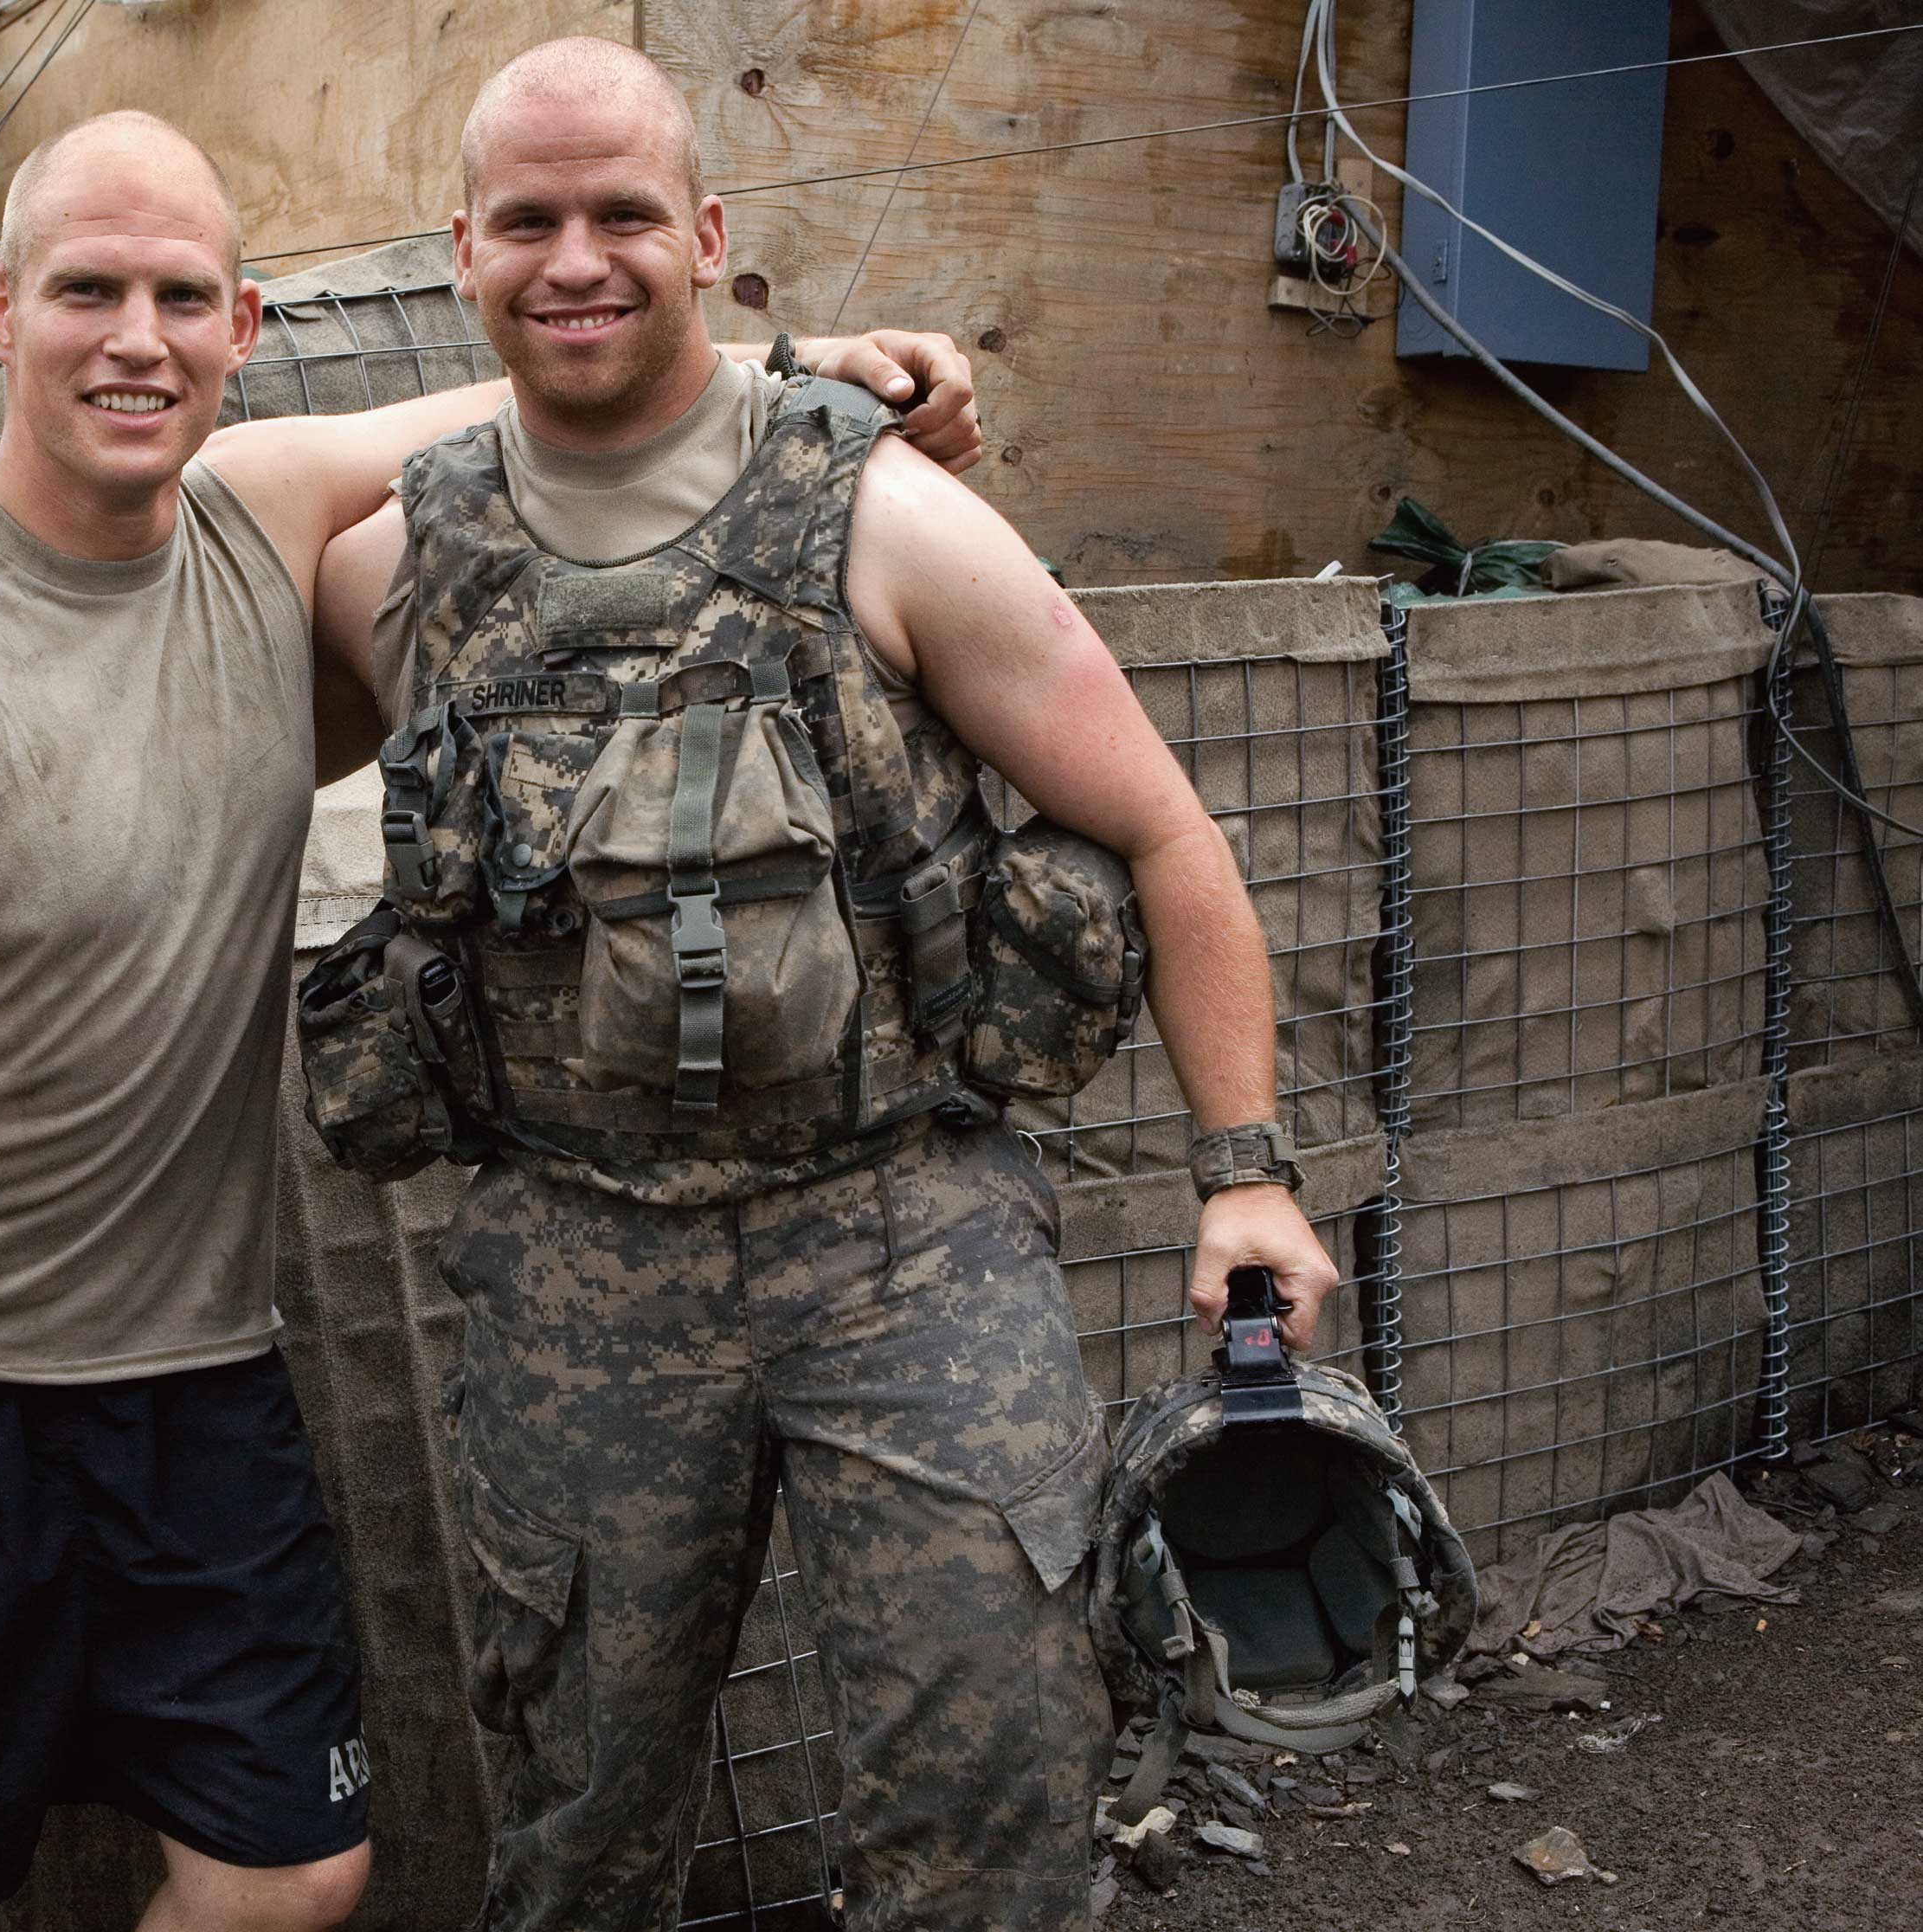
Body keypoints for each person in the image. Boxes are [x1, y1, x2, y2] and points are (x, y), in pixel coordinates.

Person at [0, 106, 982, 1932]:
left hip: (196, 1388)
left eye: (181, 297)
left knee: (291, 1873)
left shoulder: (260, 519)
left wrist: (799, 373)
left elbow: (538, 407)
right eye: (87, 291)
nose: (137, 338)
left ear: (244, 326)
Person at [307, 40, 1343, 1932]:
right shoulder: (389, 561)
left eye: (624, 214)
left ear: (707, 236)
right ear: (460, 253)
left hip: (903, 1230)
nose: (576, 259)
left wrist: (1248, 1168)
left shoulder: (894, 520)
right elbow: (153, 549)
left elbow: (1174, 839)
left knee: (992, 1777)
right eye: (526, 221)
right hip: (573, 1254)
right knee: (580, 1814)